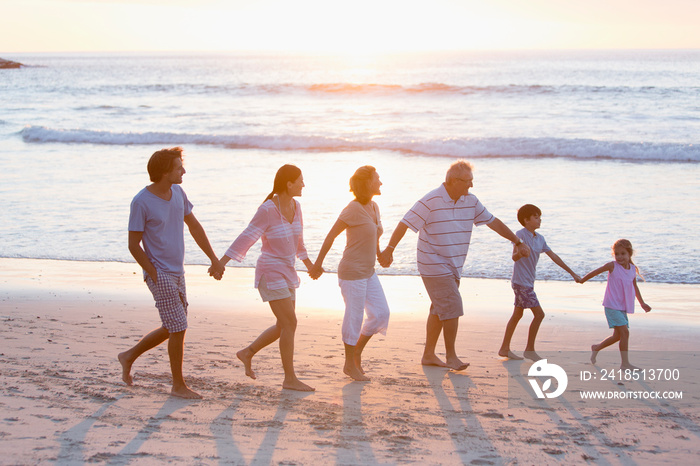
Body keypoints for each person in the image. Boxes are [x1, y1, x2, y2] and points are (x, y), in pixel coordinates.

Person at [378, 161, 531, 371]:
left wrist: (517, 241)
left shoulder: (471, 201)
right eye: (468, 182)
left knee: (439, 309)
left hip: (454, 264)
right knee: (452, 307)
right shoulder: (431, 200)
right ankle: (451, 357)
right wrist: (390, 249)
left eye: (472, 182)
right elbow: (406, 222)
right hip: (432, 262)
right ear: (453, 181)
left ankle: (429, 355)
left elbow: (493, 222)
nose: (471, 186)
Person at [119, 147, 225, 399]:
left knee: (173, 326)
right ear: (165, 172)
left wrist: (214, 259)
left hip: (178, 271)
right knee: (178, 327)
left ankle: (128, 356)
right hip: (159, 272)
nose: (184, 171)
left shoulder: (178, 192)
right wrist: (154, 273)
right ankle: (178, 385)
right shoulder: (141, 202)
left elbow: (194, 225)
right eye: (179, 168)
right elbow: (133, 245)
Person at [219, 165, 315, 392]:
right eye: (300, 180)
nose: (304, 185)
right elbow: (248, 236)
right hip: (269, 271)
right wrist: (221, 263)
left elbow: (298, 241)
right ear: (288, 183)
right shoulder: (268, 209)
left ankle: (247, 352)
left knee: (283, 325)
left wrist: (309, 264)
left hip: (288, 271)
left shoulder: (296, 206)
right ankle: (290, 379)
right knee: (291, 323)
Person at [309, 166, 390, 382]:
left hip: (368, 272)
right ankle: (348, 364)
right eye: (378, 179)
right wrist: (317, 264)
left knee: (381, 314)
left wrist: (380, 254)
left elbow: (374, 236)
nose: (381, 183)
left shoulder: (374, 206)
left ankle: (356, 354)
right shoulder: (352, 209)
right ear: (368, 183)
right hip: (352, 272)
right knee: (354, 318)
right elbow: (331, 236)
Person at [498, 204, 581, 361]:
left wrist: (572, 273)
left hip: (528, 282)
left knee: (517, 314)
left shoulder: (540, 239)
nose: (539, 220)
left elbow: (554, 256)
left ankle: (504, 348)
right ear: (526, 220)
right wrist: (521, 254)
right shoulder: (519, 235)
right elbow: (514, 257)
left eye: (540, 217)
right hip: (520, 282)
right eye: (536, 217)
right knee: (539, 314)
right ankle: (529, 350)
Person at [579, 239, 651, 369]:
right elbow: (596, 272)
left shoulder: (632, 269)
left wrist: (642, 303)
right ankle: (625, 364)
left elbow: (634, 287)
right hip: (612, 305)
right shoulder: (612, 266)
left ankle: (597, 347)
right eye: (617, 254)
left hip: (622, 307)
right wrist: (582, 280)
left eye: (623, 253)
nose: (619, 257)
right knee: (625, 333)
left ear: (629, 254)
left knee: (618, 336)